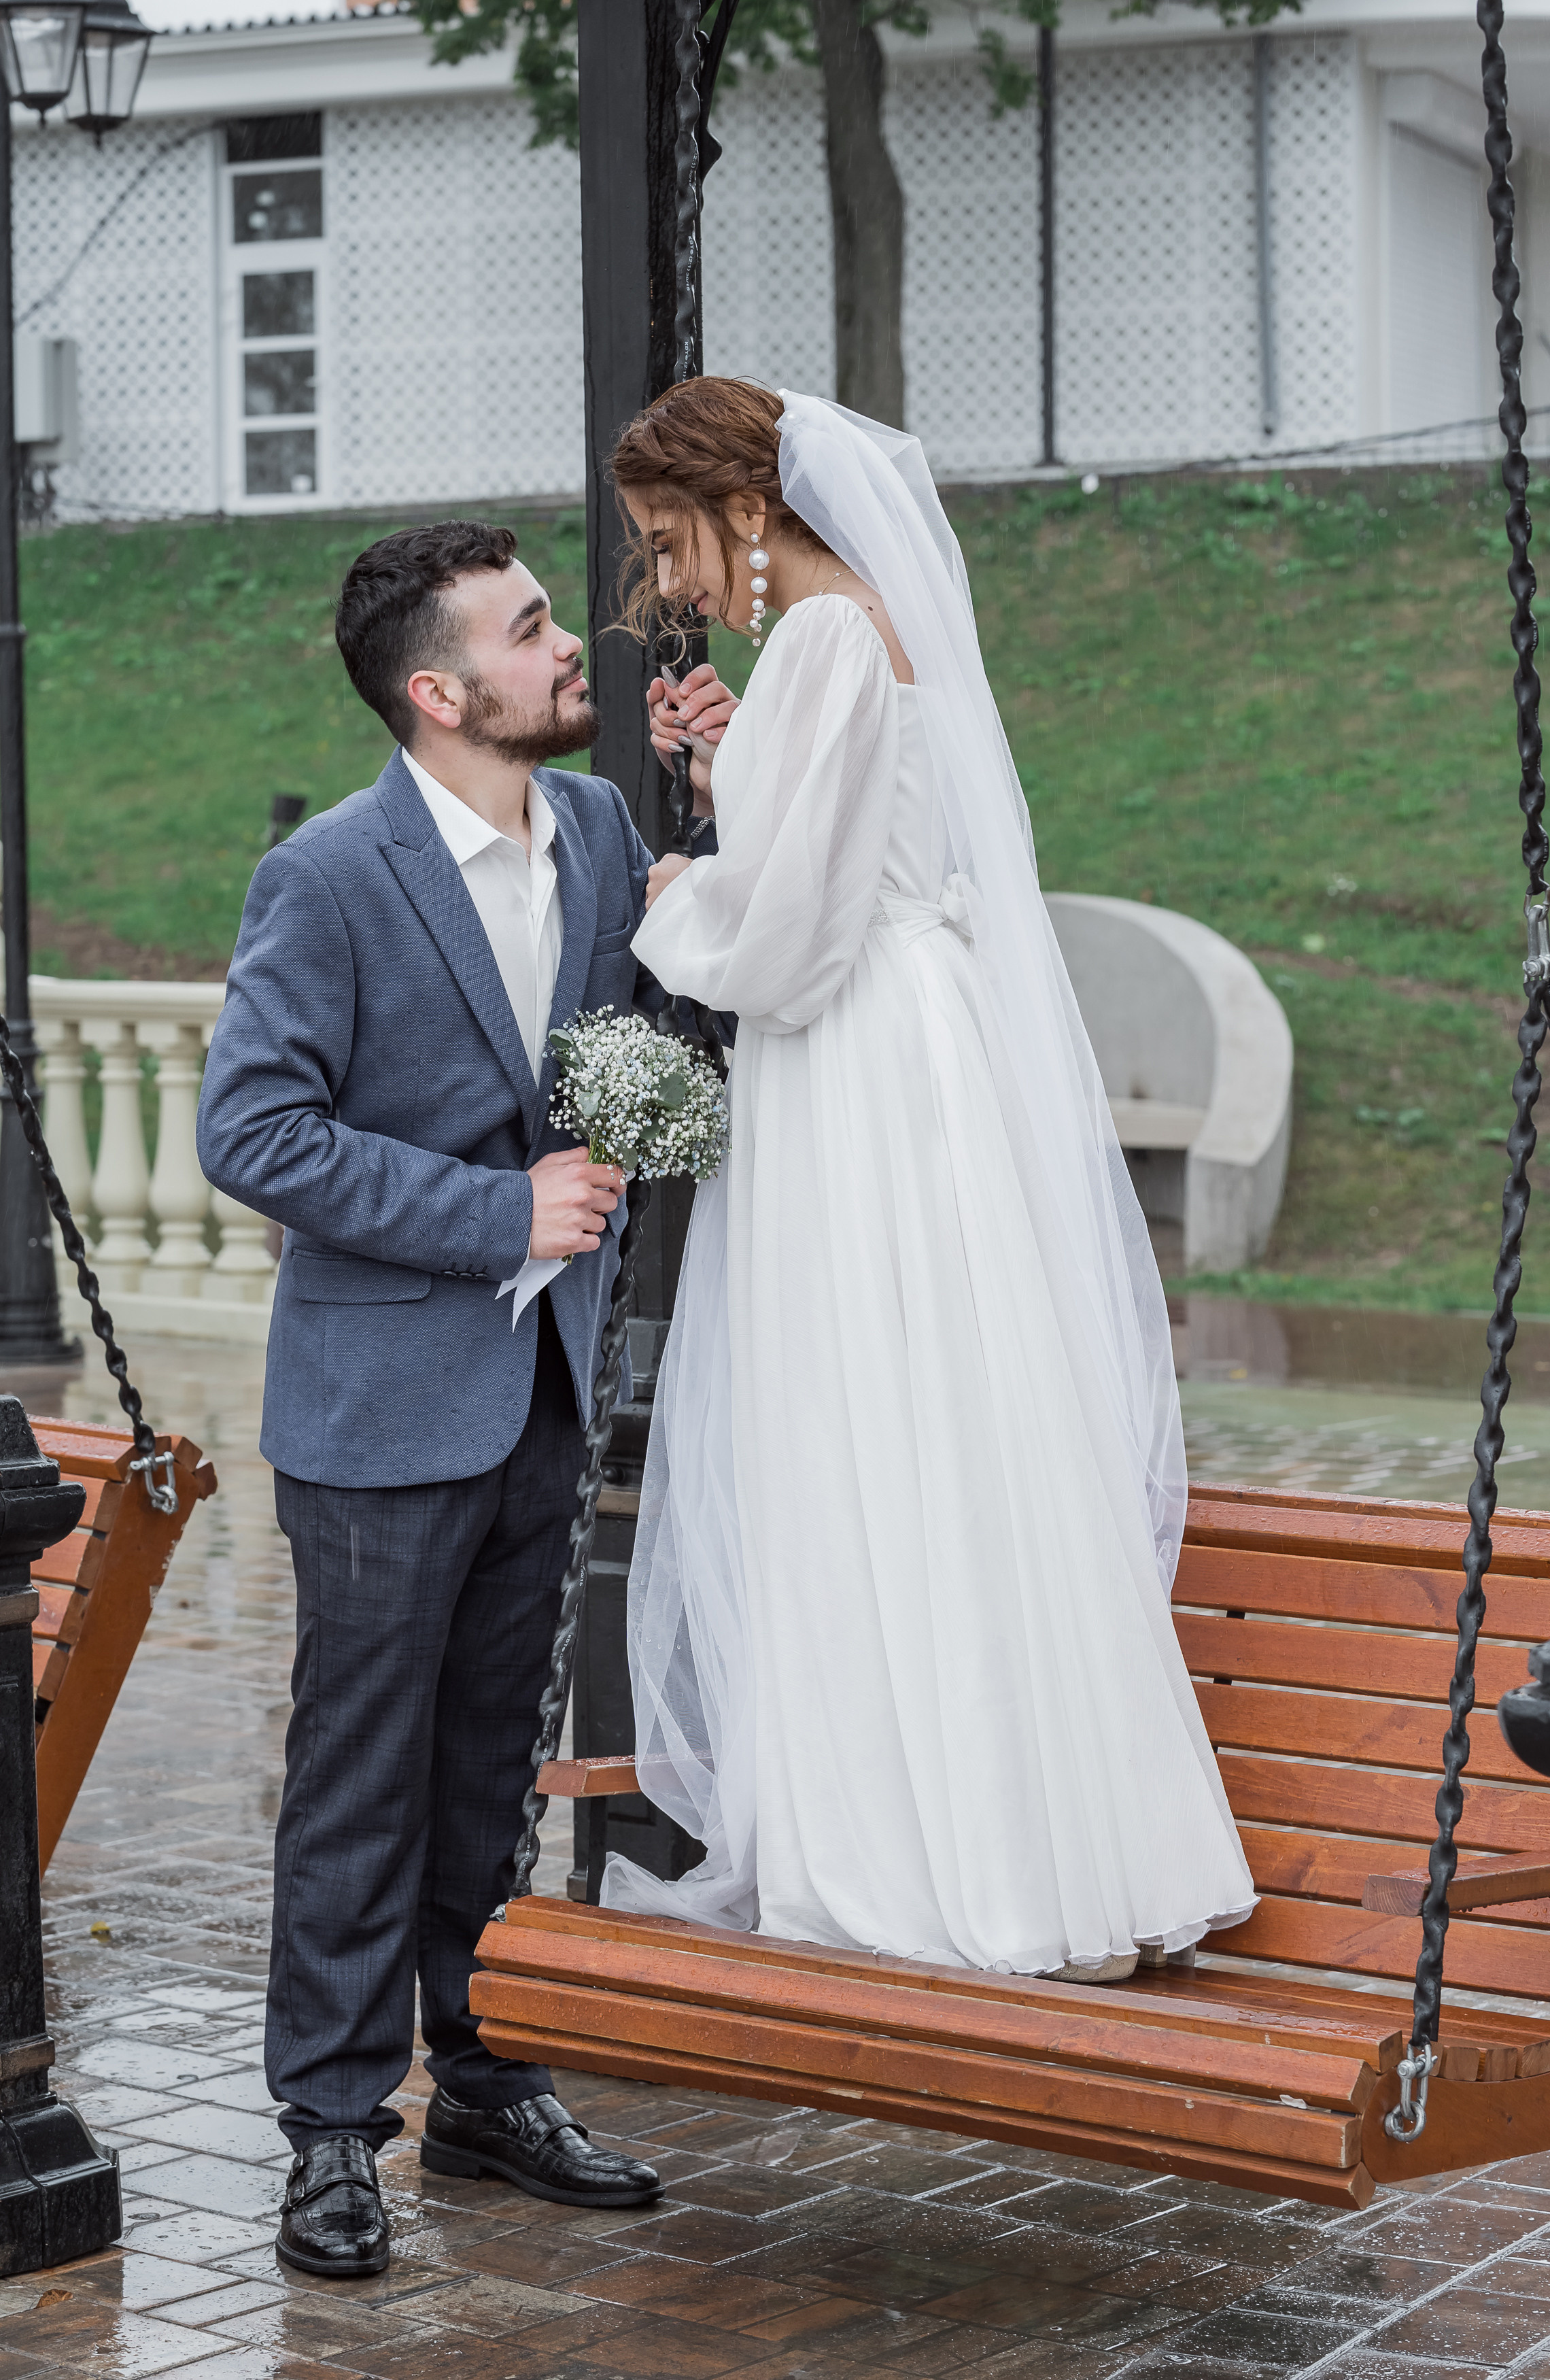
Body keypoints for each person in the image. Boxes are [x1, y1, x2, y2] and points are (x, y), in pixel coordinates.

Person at [599, 381, 1257, 1977]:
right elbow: (862, 845)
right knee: (936, 1419)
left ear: (746, 509)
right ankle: (1026, 1840)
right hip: (910, 1053)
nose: (670, 581)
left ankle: (912, 1856)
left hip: (855, 1064)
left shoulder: (823, 637)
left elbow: (796, 940)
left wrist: (676, 892)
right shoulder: (851, 639)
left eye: (671, 539)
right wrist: (737, 767)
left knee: (861, 1415)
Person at [196, 521, 676, 2281]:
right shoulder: (327, 877)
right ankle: (331, 2127)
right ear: (437, 687)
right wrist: (500, 1208)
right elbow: (248, 1131)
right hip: (380, 1403)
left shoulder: (609, 829)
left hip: (546, 1384)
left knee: (491, 1771)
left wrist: (717, 796)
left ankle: (485, 2076)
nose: (572, 649)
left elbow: (655, 1022)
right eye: (533, 627)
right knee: (359, 1772)